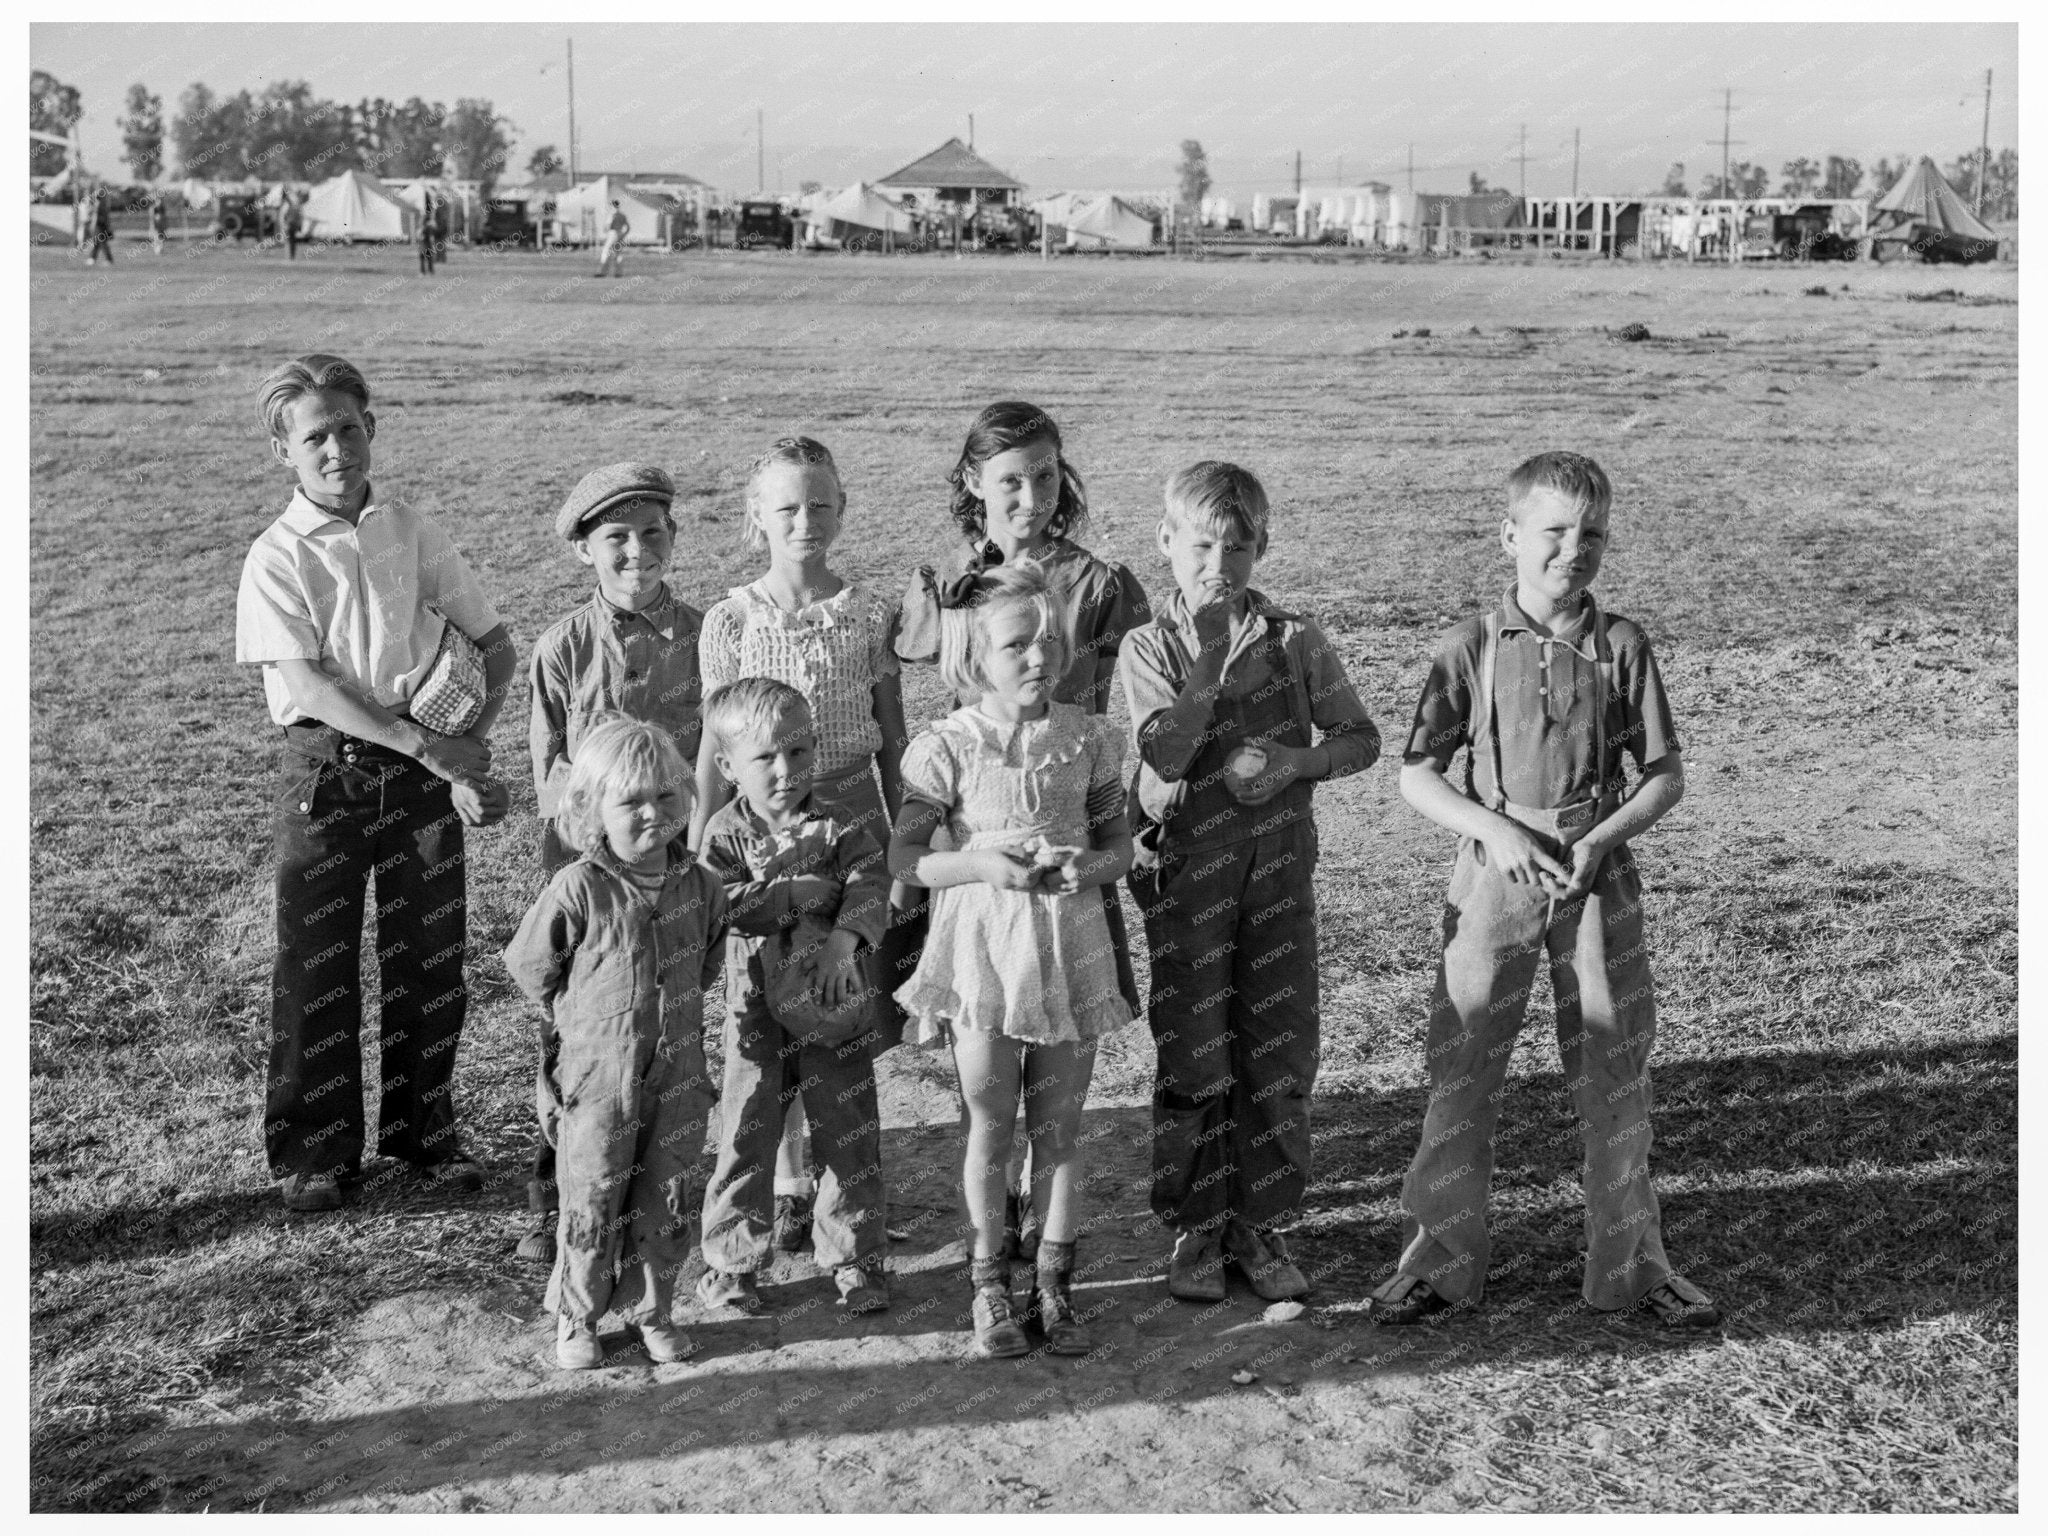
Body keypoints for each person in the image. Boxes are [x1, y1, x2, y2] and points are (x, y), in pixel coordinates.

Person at [1368, 452, 1720, 1330]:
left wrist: (1601, 838)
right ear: (1511, 536)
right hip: (1494, 876)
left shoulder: (1622, 645)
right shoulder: (1474, 647)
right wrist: (1491, 828)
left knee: (1616, 1071)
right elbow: (1417, 773)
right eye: (1555, 532)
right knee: (1463, 1066)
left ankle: (1634, 1271)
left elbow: (1664, 775)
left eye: (1592, 534)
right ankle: (1437, 1265)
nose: (1574, 550)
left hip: (1597, 878)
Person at [234, 353, 515, 1213]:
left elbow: (496, 643)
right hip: (327, 772)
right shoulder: (275, 556)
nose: (336, 449)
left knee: (427, 959)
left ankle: (425, 1136)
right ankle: (316, 1153)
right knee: (317, 961)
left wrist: (465, 744)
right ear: (283, 449)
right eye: (314, 435)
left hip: (425, 770)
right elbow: (311, 686)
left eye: (349, 428)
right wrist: (427, 748)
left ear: (372, 429)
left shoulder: (411, 532)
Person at [896, 399, 1151, 1263]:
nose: (1030, 496)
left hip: (1067, 825)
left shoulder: (1098, 584)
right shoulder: (944, 585)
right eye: (1010, 479)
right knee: (988, 1067)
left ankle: (1049, 1257)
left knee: (1060, 1054)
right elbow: (927, 707)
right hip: (973, 839)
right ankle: (989, 1243)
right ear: (974, 482)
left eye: (1045, 476)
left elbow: (1108, 708)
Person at [1120, 462, 1380, 1304]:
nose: (1218, 565)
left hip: (1278, 881)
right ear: (1166, 542)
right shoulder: (1148, 646)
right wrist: (1208, 656)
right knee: (1195, 1050)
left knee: (1277, 1046)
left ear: (1263, 545)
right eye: (1200, 545)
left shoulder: (1297, 640)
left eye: (1237, 547)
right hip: (1189, 884)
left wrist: (1296, 763)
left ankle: (1259, 1224)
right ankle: (1196, 1227)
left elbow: (1360, 739)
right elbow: (1162, 752)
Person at [890, 565, 1135, 1358]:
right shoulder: (948, 748)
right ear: (974, 656)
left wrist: (1083, 869)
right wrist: (980, 866)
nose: (1038, 657)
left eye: (1050, 641)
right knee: (991, 1124)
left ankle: (1056, 1287)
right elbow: (906, 859)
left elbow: (1119, 848)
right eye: (1017, 644)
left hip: (1069, 949)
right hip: (981, 958)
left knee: (1060, 1128)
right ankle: (989, 1283)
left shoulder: (1091, 738)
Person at [691, 437, 907, 1258]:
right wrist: (701, 848)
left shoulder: (869, 610)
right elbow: (717, 749)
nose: (804, 520)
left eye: (820, 504)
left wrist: (905, 848)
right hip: (757, 834)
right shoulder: (732, 618)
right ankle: (782, 1182)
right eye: (785, 507)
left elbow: (893, 738)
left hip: (850, 820)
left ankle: (841, 1187)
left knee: (842, 998)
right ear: (758, 518)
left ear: (842, 509)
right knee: (765, 1003)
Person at [518, 462, 706, 1266]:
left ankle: (658, 1202)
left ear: (674, 537)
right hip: (593, 878)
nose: (637, 551)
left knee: (670, 1030)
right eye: (615, 538)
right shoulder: (563, 647)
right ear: (583, 552)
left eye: (652, 533)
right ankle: (552, 1195)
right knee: (577, 1036)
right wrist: (602, 841)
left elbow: (718, 751)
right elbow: (551, 777)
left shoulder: (709, 631)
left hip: (679, 871)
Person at [504, 718, 723, 1370]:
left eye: (666, 797)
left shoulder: (703, 886)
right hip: (597, 1078)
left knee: (668, 1193)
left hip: (679, 1072)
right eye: (631, 802)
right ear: (593, 809)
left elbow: (706, 961)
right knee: (594, 1192)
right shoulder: (576, 887)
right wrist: (580, 1027)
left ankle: (653, 1310)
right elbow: (531, 968)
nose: (653, 814)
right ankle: (578, 1314)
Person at [696, 680, 892, 1317]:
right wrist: (797, 895)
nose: (787, 771)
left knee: (847, 1124)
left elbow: (872, 880)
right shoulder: (722, 836)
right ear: (726, 767)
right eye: (765, 759)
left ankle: (855, 1254)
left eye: (801, 751)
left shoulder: (841, 822)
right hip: (753, 1010)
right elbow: (719, 905)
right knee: (747, 1128)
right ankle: (732, 1262)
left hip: (834, 1000)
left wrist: (843, 938)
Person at [595, 198, 630, 277]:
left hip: (612, 234)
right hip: (620, 234)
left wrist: (605, 231)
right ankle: (619, 272)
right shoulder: (622, 215)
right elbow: (628, 227)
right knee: (618, 253)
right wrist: (623, 235)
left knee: (605, 251)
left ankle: (602, 271)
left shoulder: (612, 215)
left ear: (613, 206)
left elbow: (607, 226)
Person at [85, 188, 115, 265]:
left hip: (99, 225)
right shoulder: (101, 204)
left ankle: (109, 259)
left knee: (102, 242)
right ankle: (92, 258)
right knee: (97, 242)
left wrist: (93, 225)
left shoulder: (99, 204)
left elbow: (97, 216)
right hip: (100, 225)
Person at [416, 192, 436, 276]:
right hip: (426, 233)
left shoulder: (427, 211)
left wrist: (421, 230)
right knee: (427, 253)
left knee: (423, 253)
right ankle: (429, 270)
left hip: (426, 233)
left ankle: (423, 271)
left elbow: (427, 222)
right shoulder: (429, 209)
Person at [283, 193, 300, 260]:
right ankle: (291, 256)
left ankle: (290, 256)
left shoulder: (291, 208)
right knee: (292, 241)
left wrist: (287, 224)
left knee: (290, 241)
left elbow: (287, 217)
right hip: (293, 226)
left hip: (291, 226)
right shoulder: (295, 208)